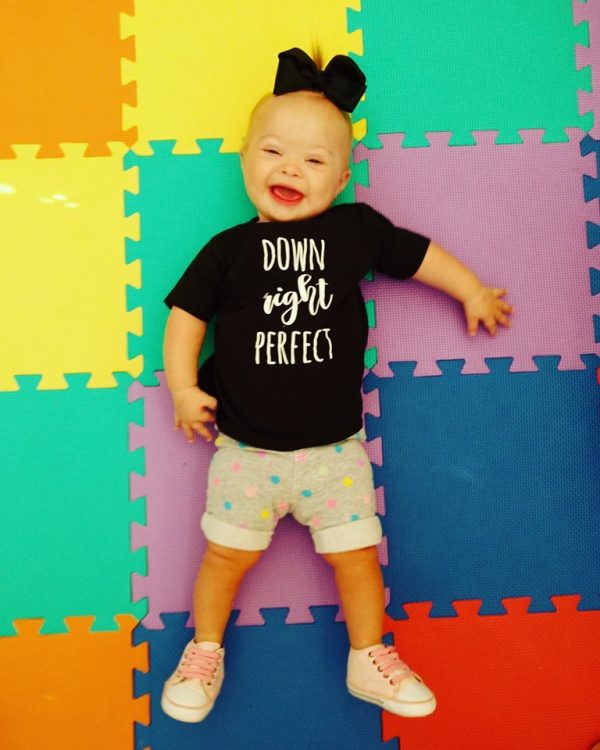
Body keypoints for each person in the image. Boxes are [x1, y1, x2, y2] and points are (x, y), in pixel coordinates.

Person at [160, 47, 513, 723]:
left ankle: (368, 656)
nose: (290, 168)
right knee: (224, 559)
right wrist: (181, 388)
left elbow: (418, 254)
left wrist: (469, 290)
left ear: (343, 177)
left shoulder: (353, 231)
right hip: (246, 453)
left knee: (358, 561)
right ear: (244, 160)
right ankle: (205, 650)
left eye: (314, 160)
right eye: (272, 152)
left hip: (336, 454)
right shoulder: (227, 250)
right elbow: (185, 321)